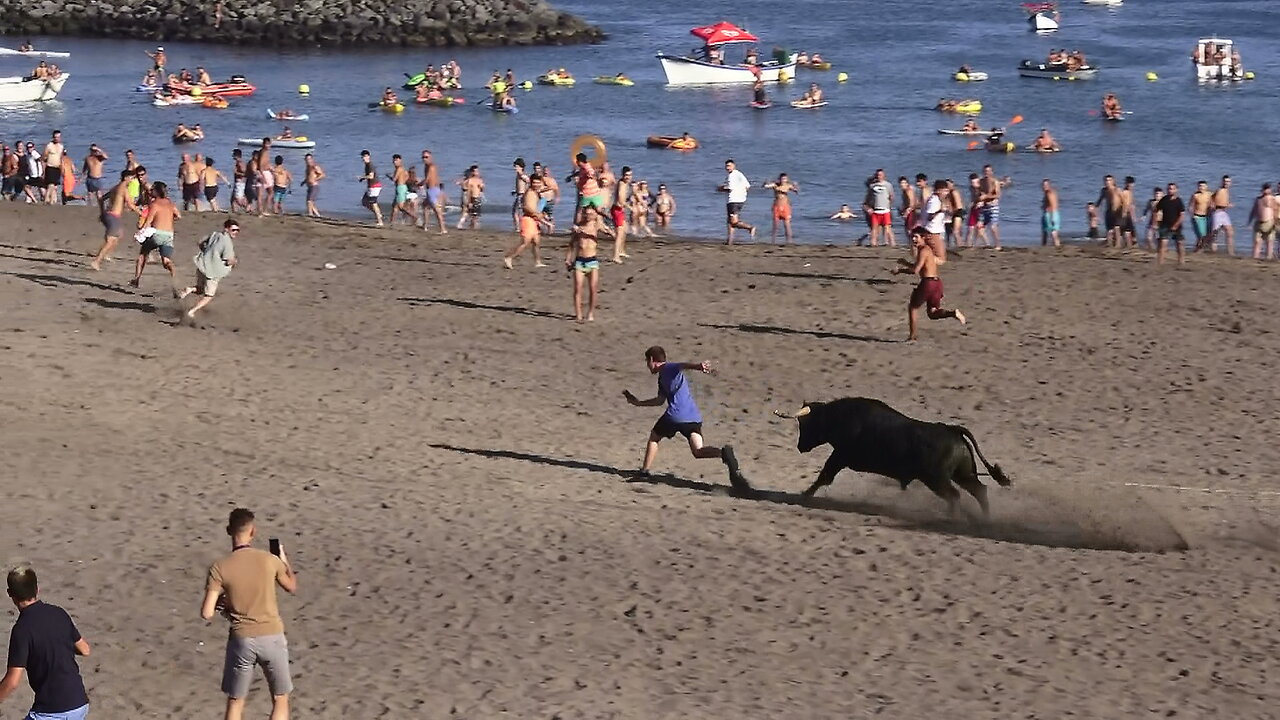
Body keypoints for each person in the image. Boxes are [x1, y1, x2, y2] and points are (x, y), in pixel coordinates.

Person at [200, 508, 297, 720]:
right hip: (272, 635)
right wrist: (283, 560)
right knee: (280, 698)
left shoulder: (219, 567)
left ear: (229, 531)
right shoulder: (269, 560)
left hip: (242, 639)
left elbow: (207, 613)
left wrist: (224, 606)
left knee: (236, 702)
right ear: (253, 531)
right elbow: (291, 586)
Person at [622, 346, 747, 490]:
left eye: (647, 361)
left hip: (675, 416)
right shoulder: (662, 378)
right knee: (698, 451)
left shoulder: (668, 368)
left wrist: (698, 366)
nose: (647, 365)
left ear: (652, 360)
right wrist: (638, 403)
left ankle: (644, 472)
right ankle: (723, 453)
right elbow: (659, 400)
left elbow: (681, 366)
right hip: (692, 417)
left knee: (654, 437)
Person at [0, 565, 91, 720]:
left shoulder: (22, 630)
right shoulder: (59, 613)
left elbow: (13, 680)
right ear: (37, 589)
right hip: (79, 704)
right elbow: (85, 650)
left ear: (10, 594)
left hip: (53, 710)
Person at [893, 227, 966, 341]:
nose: (913, 239)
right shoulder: (927, 250)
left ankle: (912, 337)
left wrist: (900, 271)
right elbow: (922, 268)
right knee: (932, 313)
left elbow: (915, 271)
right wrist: (905, 263)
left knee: (913, 307)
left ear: (923, 238)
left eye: (916, 237)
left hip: (928, 283)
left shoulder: (924, 250)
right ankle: (952, 313)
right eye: (912, 237)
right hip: (937, 283)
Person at [565, 204, 614, 322]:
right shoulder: (578, 227)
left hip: (592, 261)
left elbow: (613, 235)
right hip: (579, 262)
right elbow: (571, 244)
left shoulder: (597, 225)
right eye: (587, 214)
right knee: (578, 289)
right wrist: (568, 259)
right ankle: (578, 315)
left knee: (593, 289)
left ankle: (591, 313)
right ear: (583, 214)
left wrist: (609, 231)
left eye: (591, 214)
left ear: (595, 215)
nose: (589, 216)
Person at [132, 181, 180, 290]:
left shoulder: (154, 204)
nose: (150, 191)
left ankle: (136, 279)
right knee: (166, 261)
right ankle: (175, 278)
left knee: (143, 254)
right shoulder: (170, 203)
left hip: (157, 234)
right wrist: (168, 219)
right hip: (169, 235)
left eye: (153, 189)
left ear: (157, 192)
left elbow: (148, 221)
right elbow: (178, 216)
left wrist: (140, 233)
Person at [89, 169, 140, 271]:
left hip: (108, 215)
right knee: (110, 240)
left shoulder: (115, 187)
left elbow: (102, 199)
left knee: (119, 235)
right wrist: (141, 213)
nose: (132, 180)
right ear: (126, 178)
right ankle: (97, 261)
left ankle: (106, 255)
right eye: (131, 178)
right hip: (113, 216)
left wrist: (102, 212)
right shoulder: (123, 188)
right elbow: (130, 204)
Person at [504, 175, 546, 269]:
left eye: (538, 182)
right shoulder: (530, 193)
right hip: (528, 220)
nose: (537, 184)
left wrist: (541, 214)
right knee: (525, 242)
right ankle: (509, 257)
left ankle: (538, 262)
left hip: (533, 220)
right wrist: (540, 217)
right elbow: (527, 208)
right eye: (534, 182)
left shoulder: (535, 192)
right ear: (531, 183)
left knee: (536, 241)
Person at [719, 159, 756, 244]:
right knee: (729, 221)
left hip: (733, 200)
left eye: (729, 166)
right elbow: (747, 186)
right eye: (726, 166)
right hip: (740, 200)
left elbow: (729, 188)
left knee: (734, 222)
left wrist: (721, 188)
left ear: (734, 166)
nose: (728, 168)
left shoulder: (731, 176)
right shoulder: (740, 174)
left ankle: (749, 228)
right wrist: (741, 192)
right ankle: (730, 241)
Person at [1155, 182, 1186, 266]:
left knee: (1179, 244)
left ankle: (1181, 262)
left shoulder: (1178, 201)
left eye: (1172, 189)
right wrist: (1156, 222)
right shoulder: (1164, 200)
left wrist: (1176, 225)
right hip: (1165, 225)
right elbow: (1157, 211)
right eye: (1169, 189)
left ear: (1176, 190)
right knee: (1163, 244)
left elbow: (1182, 215)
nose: (1170, 190)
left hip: (1177, 226)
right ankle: (1160, 263)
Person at [763, 173, 799, 243]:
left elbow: (796, 191)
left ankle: (789, 241)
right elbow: (766, 186)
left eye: (785, 179)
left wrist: (796, 185)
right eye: (782, 179)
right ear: (779, 179)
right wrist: (765, 183)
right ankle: (773, 240)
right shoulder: (775, 185)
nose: (783, 180)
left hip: (785, 206)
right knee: (776, 225)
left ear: (787, 179)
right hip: (777, 206)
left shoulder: (788, 185)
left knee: (787, 225)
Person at [863, 168, 894, 247]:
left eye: (880, 175)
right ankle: (873, 244)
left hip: (885, 210)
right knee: (874, 228)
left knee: (887, 228)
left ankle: (890, 244)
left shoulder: (888, 185)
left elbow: (891, 197)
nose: (879, 176)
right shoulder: (872, 186)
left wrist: (888, 206)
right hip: (876, 210)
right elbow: (868, 199)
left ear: (884, 176)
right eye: (877, 175)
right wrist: (868, 208)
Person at [1245, 183, 1277, 260]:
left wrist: (1276, 222)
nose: (1266, 190)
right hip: (1258, 223)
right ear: (1262, 190)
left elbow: (1276, 210)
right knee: (1257, 242)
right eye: (1265, 188)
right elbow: (1253, 211)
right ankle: (1255, 258)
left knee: (1269, 242)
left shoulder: (1272, 198)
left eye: (1267, 188)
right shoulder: (1258, 199)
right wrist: (1249, 222)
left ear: (1270, 189)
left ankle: (1268, 258)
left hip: (1269, 223)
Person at [418, 149, 446, 233]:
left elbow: (428, 179)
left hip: (432, 190)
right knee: (425, 206)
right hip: (431, 190)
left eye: (426, 157)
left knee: (437, 210)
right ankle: (425, 226)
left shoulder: (431, 166)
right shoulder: (427, 166)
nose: (424, 159)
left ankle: (443, 229)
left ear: (430, 157)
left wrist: (420, 184)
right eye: (423, 157)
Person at [977, 164, 1002, 249]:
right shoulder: (981, 181)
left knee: (993, 226)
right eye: (985, 171)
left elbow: (998, 195)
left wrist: (987, 197)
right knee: (979, 226)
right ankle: (986, 244)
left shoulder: (995, 182)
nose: (987, 173)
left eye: (988, 171)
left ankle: (998, 244)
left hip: (993, 207)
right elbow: (980, 193)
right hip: (984, 207)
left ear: (992, 172)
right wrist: (980, 200)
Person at [358, 149, 383, 227]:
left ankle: (380, 221)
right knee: (364, 202)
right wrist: (363, 178)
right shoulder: (367, 165)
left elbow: (371, 176)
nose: (364, 158)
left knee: (373, 203)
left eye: (365, 156)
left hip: (375, 186)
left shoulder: (370, 165)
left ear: (369, 156)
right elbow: (369, 176)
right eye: (362, 157)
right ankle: (378, 214)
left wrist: (362, 177)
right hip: (371, 186)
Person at [1211, 175, 1234, 255]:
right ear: (1222, 182)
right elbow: (1217, 202)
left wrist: (1226, 204)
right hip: (1218, 213)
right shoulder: (1220, 190)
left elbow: (1212, 197)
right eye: (1225, 181)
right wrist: (1227, 205)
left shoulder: (1226, 191)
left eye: (1228, 182)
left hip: (1224, 213)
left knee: (1230, 232)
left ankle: (1230, 252)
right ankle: (1213, 252)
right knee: (1215, 235)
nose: (1226, 183)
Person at [1189, 180, 1213, 251]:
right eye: (1200, 186)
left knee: (1205, 236)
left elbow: (1213, 203)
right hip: (1197, 216)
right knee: (1200, 235)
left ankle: (1197, 249)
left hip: (1206, 217)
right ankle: (1197, 249)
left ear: (1206, 187)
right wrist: (1192, 215)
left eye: (1203, 186)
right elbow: (1191, 206)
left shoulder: (1209, 194)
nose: (1201, 188)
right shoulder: (1195, 195)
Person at [458, 165, 484, 230]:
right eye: (476, 171)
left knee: (475, 214)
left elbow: (482, 189)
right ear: (472, 172)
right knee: (470, 212)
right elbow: (469, 191)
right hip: (472, 197)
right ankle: (469, 225)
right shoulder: (470, 180)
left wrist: (482, 187)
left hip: (477, 198)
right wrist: (469, 201)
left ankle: (472, 225)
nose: (478, 173)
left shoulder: (479, 180)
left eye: (478, 171)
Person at [1038, 178, 1061, 247]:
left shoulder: (1049, 193)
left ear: (1049, 185)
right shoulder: (1052, 192)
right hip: (1052, 214)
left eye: (1046, 185)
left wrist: (1052, 217)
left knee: (1053, 232)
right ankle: (1044, 246)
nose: (1044, 187)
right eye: (1043, 185)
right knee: (1046, 231)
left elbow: (1052, 205)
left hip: (1051, 214)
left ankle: (1057, 246)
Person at [302, 154, 325, 218]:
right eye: (306, 159)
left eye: (309, 159)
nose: (308, 161)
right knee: (311, 203)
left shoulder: (315, 166)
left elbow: (323, 175)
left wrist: (315, 179)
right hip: (309, 186)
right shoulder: (307, 168)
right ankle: (318, 215)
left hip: (314, 186)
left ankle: (310, 214)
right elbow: (308, 177)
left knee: (309, 201)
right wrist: (304, 182)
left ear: (312, 159)